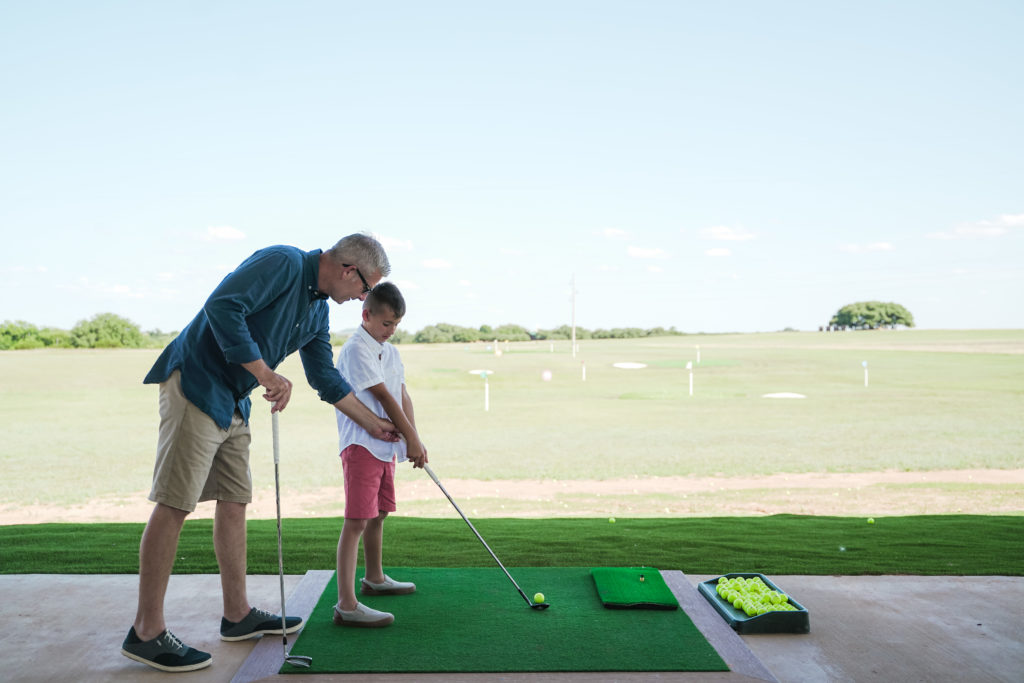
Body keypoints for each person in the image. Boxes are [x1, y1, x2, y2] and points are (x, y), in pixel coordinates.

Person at [121, 234, 399, 672]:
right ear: (350, 270)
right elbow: (223, 306)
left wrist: (375, 424)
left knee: (235, 501)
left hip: (234, 398)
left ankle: (237, 615)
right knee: (175, 503)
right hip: (196, 384)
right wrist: (266, 374)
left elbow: (325, 378)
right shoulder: (283, 263)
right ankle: (146, 631)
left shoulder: (317, 310)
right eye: (364, 288)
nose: (362, 297)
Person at [332, 282, 427, 627]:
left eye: (396, 325)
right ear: (366, 315)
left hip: (384, 447)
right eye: (386, 324)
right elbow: (383, 397)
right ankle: (346, 603)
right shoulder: (357, 348)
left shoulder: (391, 351)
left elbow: (402, 394)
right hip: (361, 445)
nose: (390, 331)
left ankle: (374, 578)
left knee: (379, 513)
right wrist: (411, 440)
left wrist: (413, 438)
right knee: (356, 520)